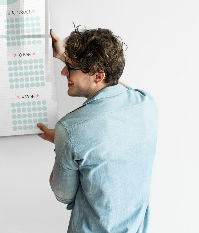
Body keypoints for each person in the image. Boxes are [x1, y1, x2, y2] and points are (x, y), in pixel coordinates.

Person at [37, 27, 158, 232]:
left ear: (98, 75)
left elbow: (63, 194)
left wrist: (62, 143)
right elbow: (114, 85)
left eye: (70, 67)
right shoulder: (146, 103)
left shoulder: (70, 129)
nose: (63, 71)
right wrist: (63, 56)